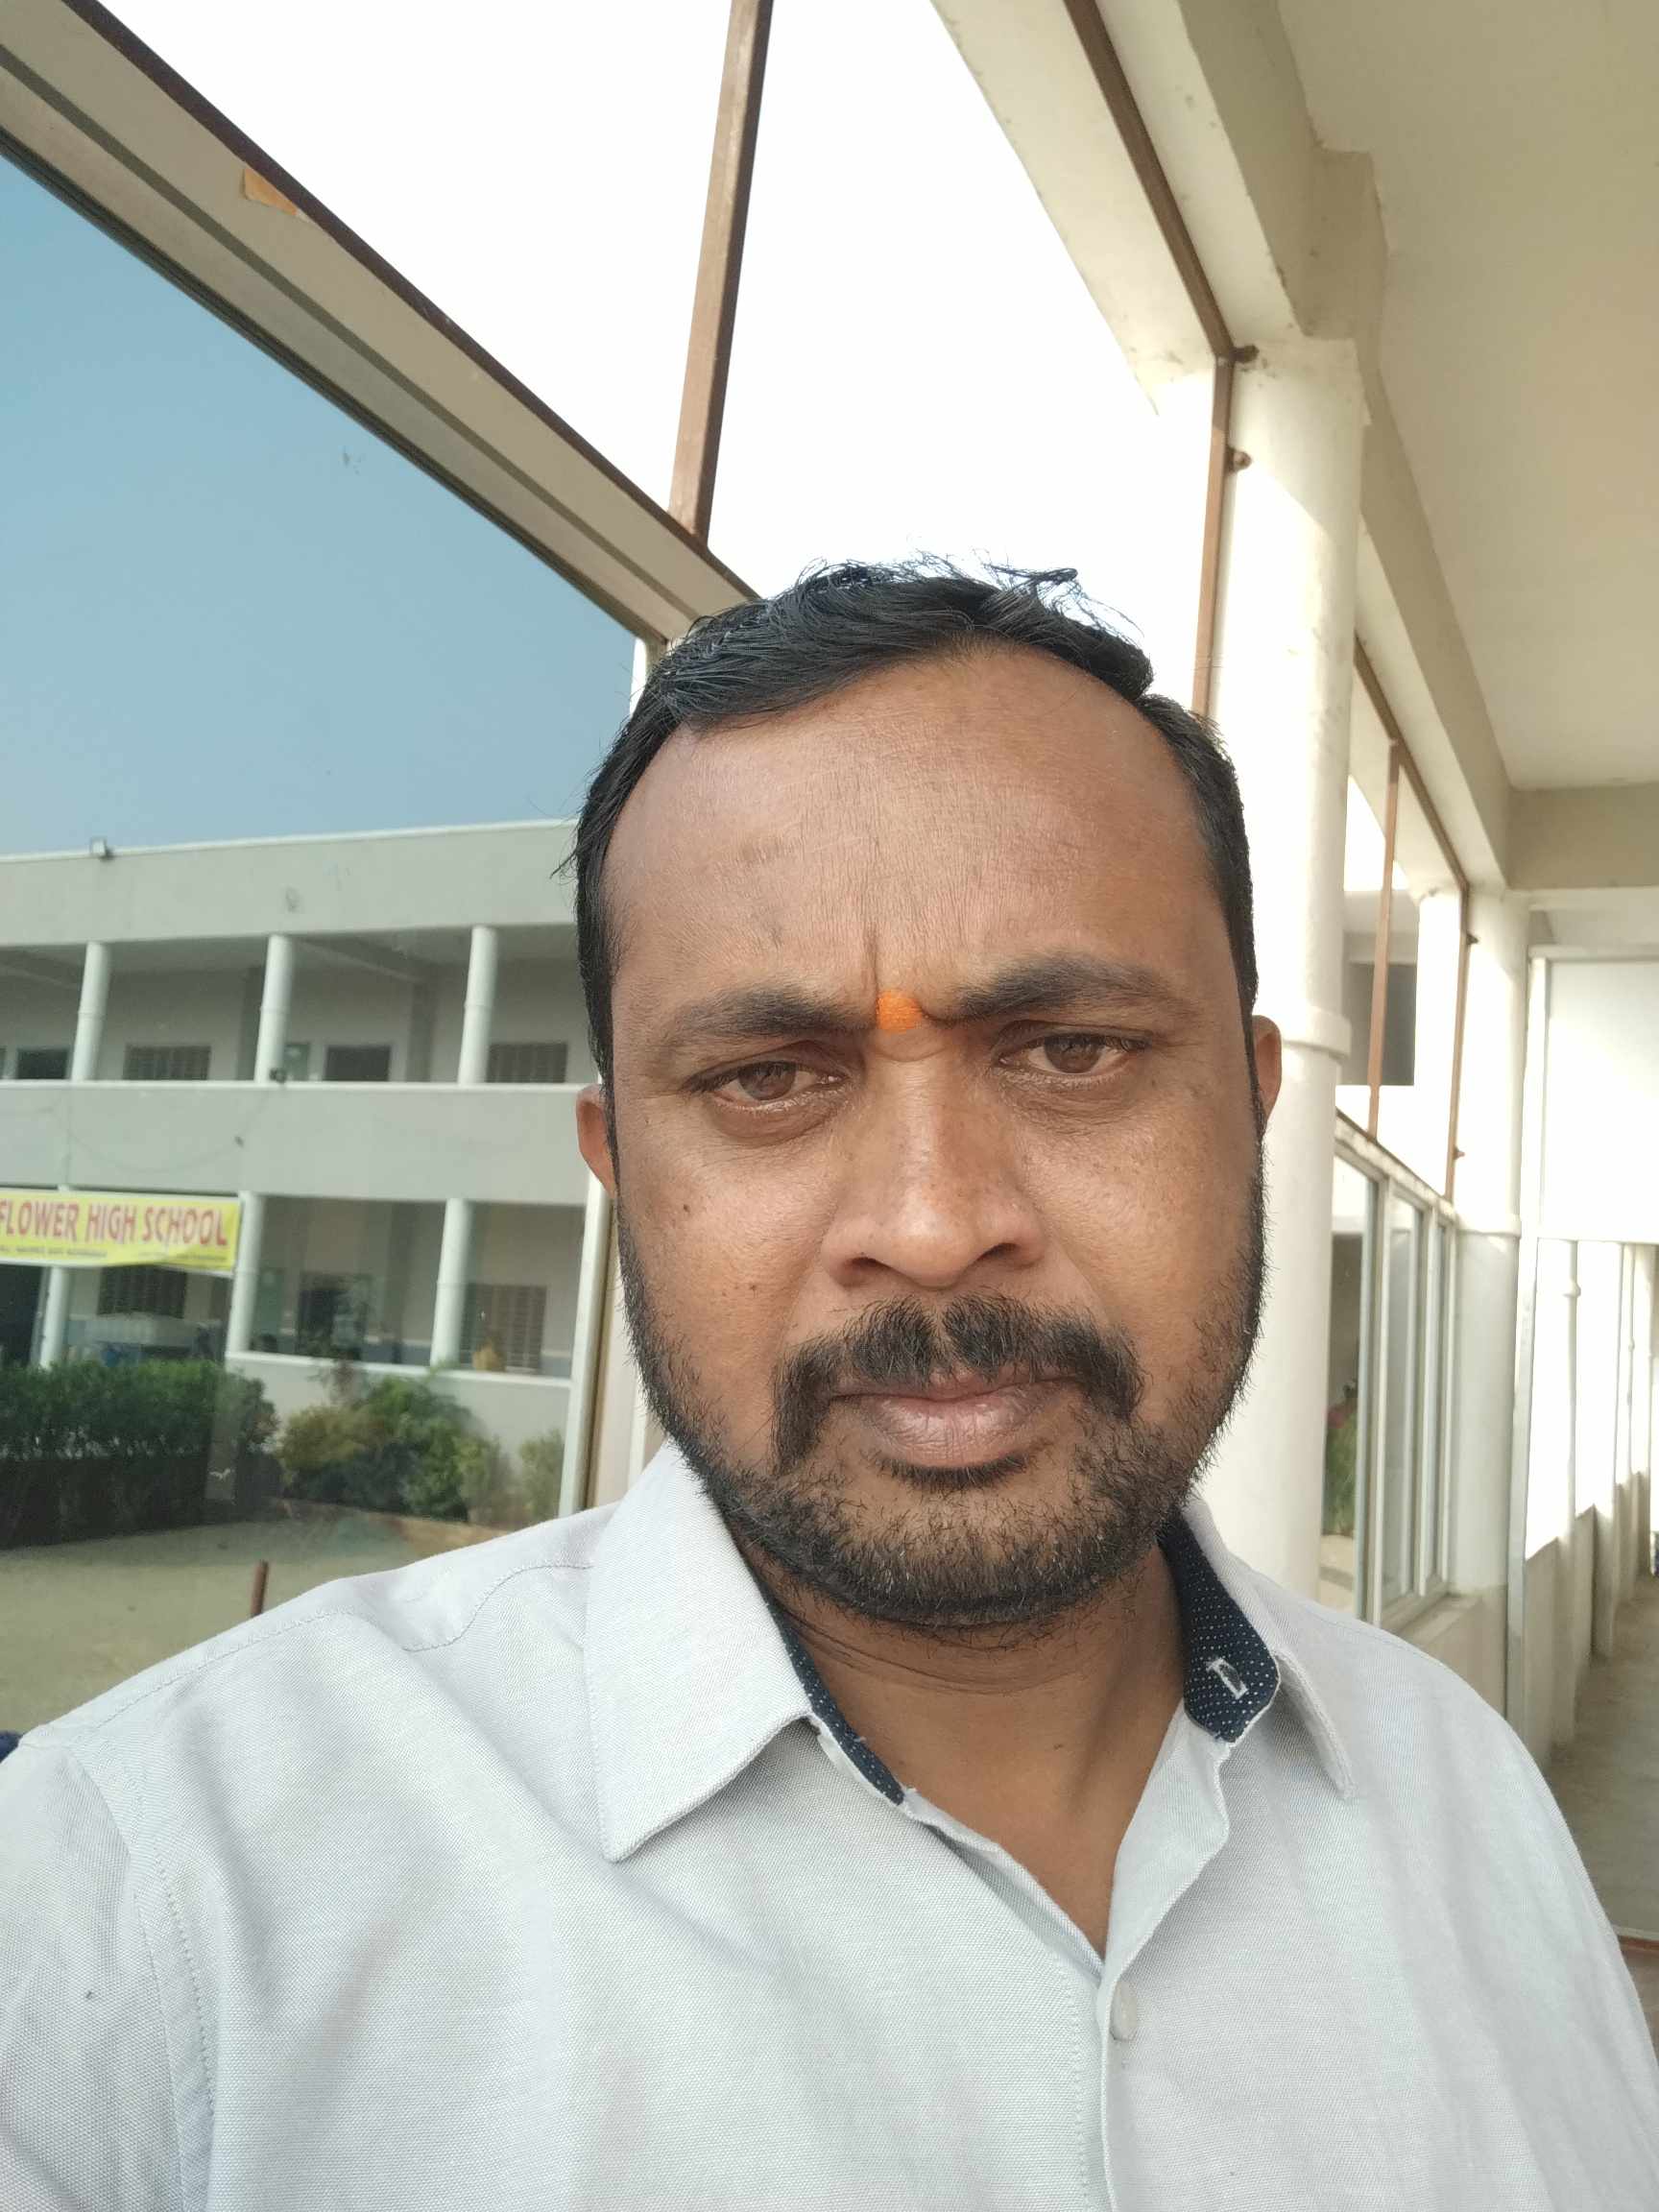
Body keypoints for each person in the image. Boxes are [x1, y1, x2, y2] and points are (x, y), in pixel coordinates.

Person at [3, 563, 1656, 2209]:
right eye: (768, 1078)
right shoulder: (151, 1902)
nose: (932, 1229)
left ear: (1254, 1099)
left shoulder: (1465, 1799)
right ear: (619, 1166)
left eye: (1070, 1049)